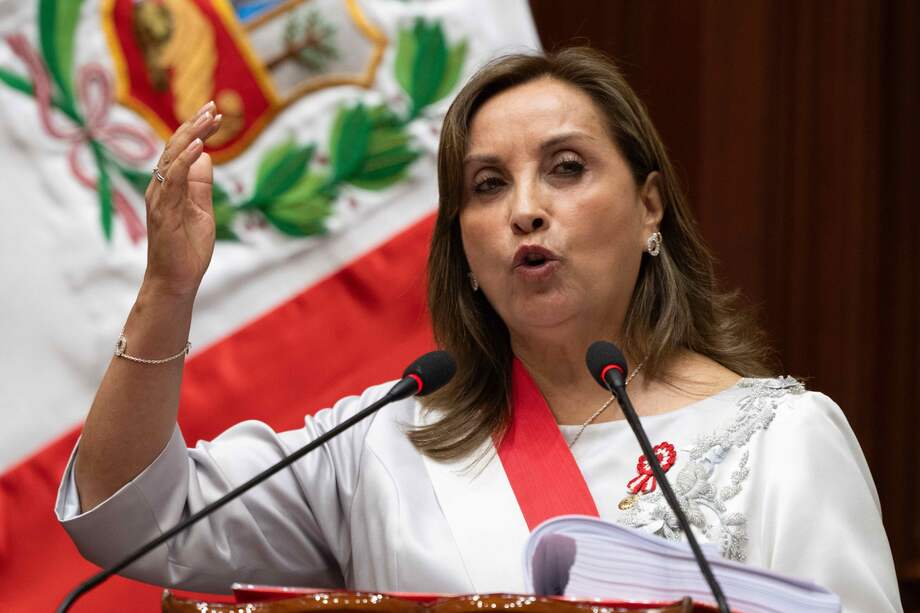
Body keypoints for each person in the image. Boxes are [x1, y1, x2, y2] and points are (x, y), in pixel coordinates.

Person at [56, 48, 901, 612]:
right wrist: (168, 286)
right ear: (461, 244)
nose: (525, 209)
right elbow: (131, 515)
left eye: (566, 169)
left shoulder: (786, 441)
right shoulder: (381, 444)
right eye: (487, 185)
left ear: (650, 208)